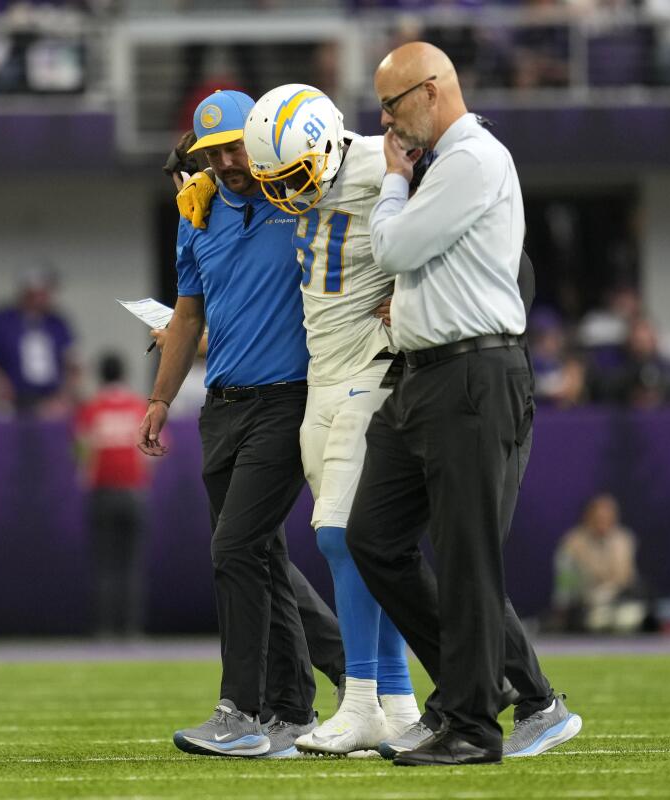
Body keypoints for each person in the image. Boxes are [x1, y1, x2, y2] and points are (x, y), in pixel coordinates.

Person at [343, 42, 581, 767]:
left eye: (393, 103)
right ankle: (471, 695)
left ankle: (473, 727)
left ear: (436, 88)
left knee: (468, 558)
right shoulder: (446, 167)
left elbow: (397, 247)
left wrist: (389, 184)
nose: (385, 121)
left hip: (474, 376)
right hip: (423, 377)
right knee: (373, 538)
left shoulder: (473, 157)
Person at [234, 85, 422, 755]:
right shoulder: (306, 178)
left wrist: (416, 289)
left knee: (345, 535)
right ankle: (397, 705)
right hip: (323, 372)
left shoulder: (381, 160)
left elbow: (457, 214)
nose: (287, 192)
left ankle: (363, 698)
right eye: (274, 181)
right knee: (356, 542)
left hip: (374, 367)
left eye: (293, 175)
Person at [140, 90, 322, 759]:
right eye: (213, 151)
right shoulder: (197, 211)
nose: (227, 160)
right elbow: (187, 317)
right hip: (222, 405)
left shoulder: (300, 195)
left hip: (288, 399)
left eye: (236, 144)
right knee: (261, 556)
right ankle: (293, 712)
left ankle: (240, 710)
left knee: (236, 549)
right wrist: (160, 399)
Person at [74, 352, 151, 638]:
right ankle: (131, 628)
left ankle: (104, 628)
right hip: (133, 492)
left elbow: (83, 450)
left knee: (104, 562)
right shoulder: (137, 407)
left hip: (103, 492)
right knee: (131, 563)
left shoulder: (92, 409)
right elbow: (155, 450)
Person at [0, 266, 77, 417]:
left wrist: (63, 396)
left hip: (49, 401)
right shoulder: (0, 321)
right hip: (10, 400)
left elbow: (73, 365)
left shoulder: (57, 323)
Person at [552, 493, 646, 633]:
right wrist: (566, 607)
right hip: (583, 605)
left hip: (618, 601)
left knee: (630, 616)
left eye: (607, 517)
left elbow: (625, 577)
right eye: (598, 517)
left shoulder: (624, 540)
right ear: (588, 517)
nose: (602, 522)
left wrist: (605, 593)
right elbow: (564, 584)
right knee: (589, 621)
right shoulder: (572, 543)